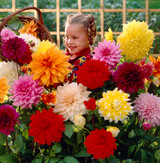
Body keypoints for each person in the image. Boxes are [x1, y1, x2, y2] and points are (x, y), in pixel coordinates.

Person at [64, 13, 97, 82]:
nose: (69, 41)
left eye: (75, 38)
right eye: (67, 37)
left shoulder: (88, 61)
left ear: (89, 37)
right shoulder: (65, 57)